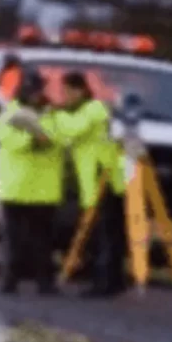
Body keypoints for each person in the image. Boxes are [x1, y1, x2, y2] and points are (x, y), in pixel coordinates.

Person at [55, 71, 127, 297]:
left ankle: (104, 283)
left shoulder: (94, 109)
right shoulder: (86, 110)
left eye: (67, 92)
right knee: (104, 234)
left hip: (104, 179)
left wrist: (55, 114)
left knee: (104, 235)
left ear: (79, 90)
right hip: (95, 180)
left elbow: (72, 129)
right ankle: (111, 280)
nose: (65, 97)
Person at [0, 69, 63, 295]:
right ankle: (10, 281)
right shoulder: (9, 114)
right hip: (16, 188)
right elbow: (9, 140)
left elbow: (59, 138)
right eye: (33, 91)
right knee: (15, 241)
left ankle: (45, 283)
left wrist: (41, 137)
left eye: (39, 90)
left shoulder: (52, 114)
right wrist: (32, 138)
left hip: (44, 191)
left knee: (43, 242)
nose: (37, 95)